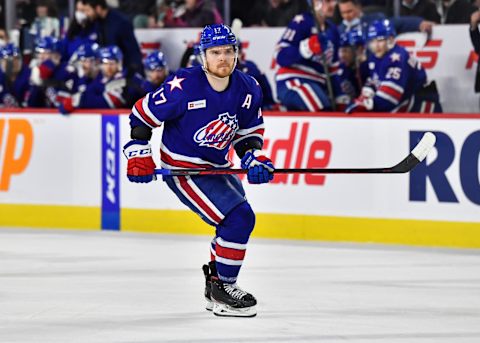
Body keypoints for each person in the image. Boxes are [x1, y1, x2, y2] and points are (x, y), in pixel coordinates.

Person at [122, 24, 275, 317]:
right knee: (239, 218)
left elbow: (247, 133)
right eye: (215, 52)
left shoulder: (248, 87)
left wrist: (252, 157)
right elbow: (143, 114)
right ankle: (224, 287)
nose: (223, 58)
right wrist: (139, 151)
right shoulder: (184, 85)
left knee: (233, 222)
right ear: (202, 56)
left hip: (218, 167)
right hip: (183, 170)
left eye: (228, 51)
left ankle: (215, 286)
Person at [346, 19, 442, 113]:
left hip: (423, 104)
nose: (376, 46)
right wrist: (364, 97)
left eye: (380, 41)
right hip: (407, 103)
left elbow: (389, 99)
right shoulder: (376, 57)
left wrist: (366, 104)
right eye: (372, 41)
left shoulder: (398, 57)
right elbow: (374, 82)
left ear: (391, 39)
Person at [274, 0, 341, 111]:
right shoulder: (301, 22)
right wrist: (305, 48)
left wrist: (339, 96)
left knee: (334, 111)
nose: (332, 5)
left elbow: (333, 70)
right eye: (328, 1)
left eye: (334, 1)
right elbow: (280, 56)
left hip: (319, 84)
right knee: (322, 111)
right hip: (294, 80)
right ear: (314, 2)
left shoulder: (333, 31)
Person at [77, 0, 143, 76]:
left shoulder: (120, 23)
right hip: (108, 72)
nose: (86, 14)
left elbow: (132, 52)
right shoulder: (97, 22)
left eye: (88, 10)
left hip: (125, 74)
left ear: (98, 8)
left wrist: (132, 75)